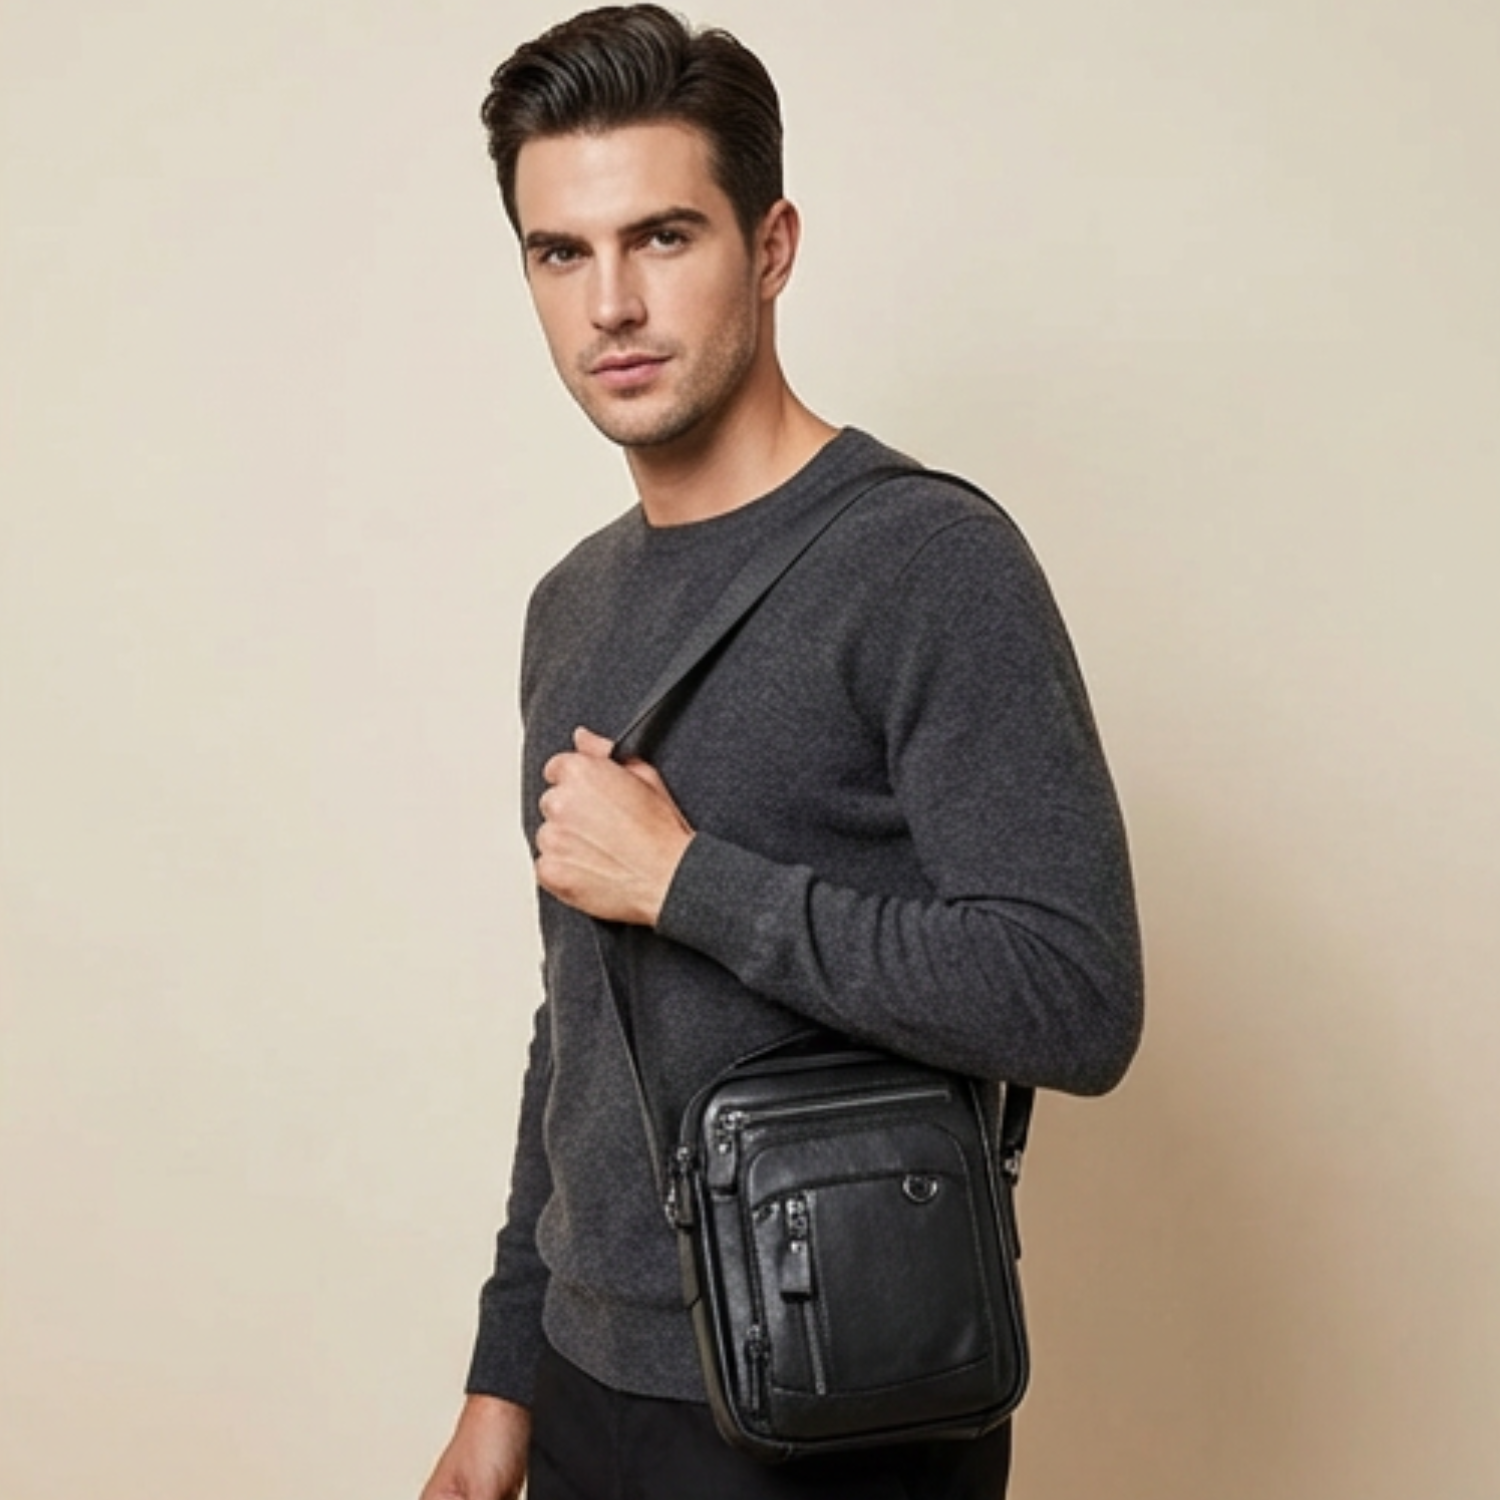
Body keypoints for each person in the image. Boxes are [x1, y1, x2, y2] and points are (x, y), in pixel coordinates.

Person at [420, 6, 1143, 1497]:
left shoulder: (926, 561)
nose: (611, 302)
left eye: (664, 236)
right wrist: (506, 1381)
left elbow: (1077, 999)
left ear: (772, 245)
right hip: (584, 1382)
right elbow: (581, 1020)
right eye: (562, 253)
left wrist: (690, 881)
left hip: (834, 1395)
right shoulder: (574, 604)